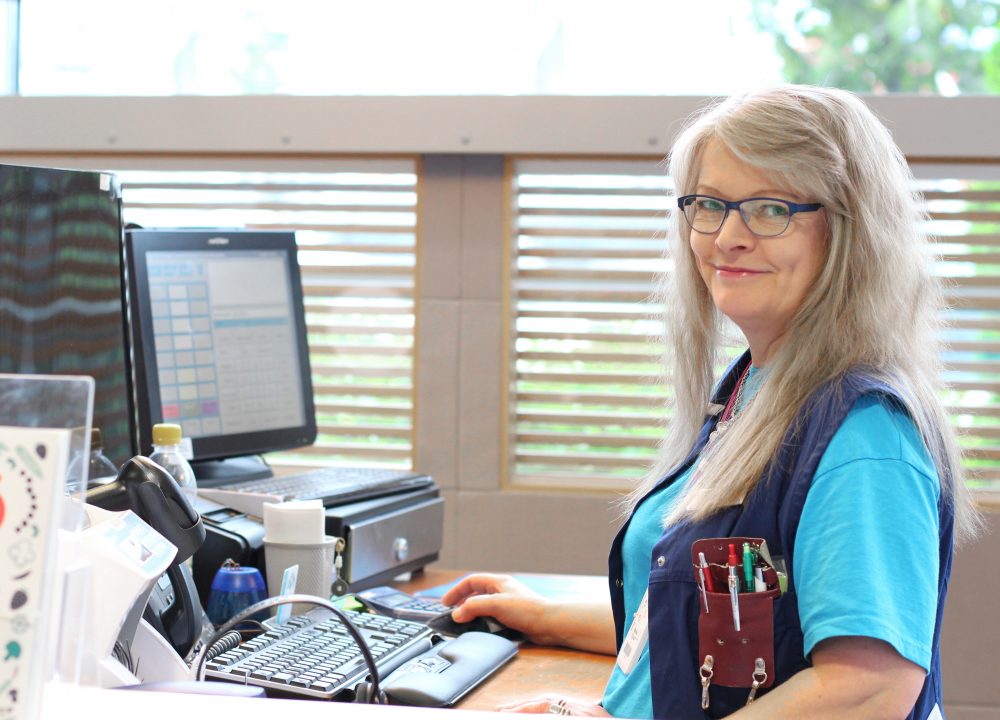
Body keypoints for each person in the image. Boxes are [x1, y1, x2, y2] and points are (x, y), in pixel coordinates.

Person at [441, 85, 981, 719]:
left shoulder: (864, 436)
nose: (728, 236)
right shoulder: (755, 388)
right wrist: (547, 617)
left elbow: (866, 689)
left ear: (851, 232)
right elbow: (714, 625)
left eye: (771, 209)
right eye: (711, 204)